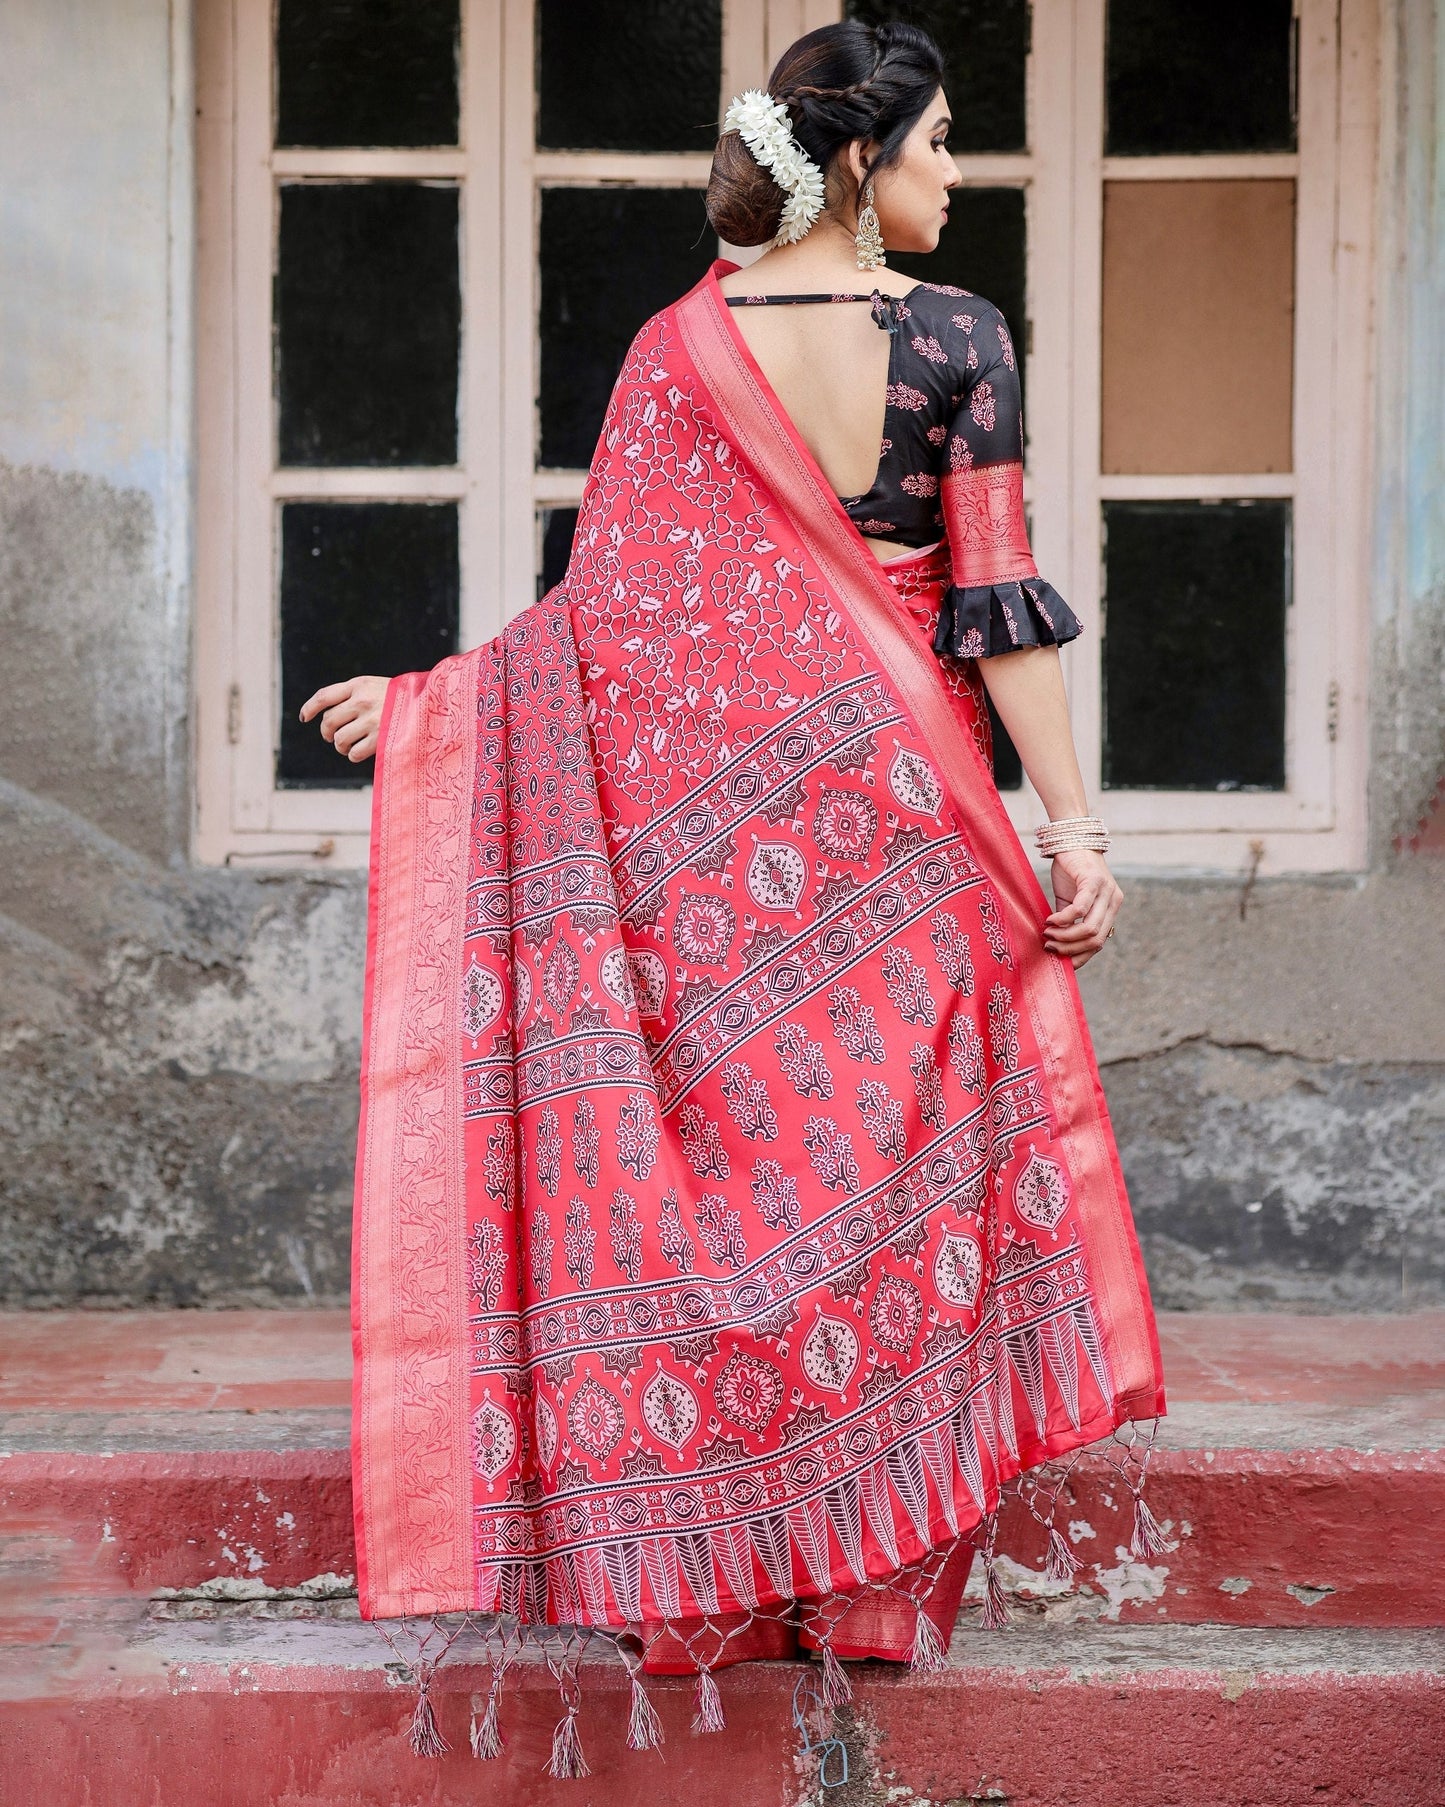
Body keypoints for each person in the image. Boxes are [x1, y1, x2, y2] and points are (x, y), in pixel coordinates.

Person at [302, 19, 1166, 1774]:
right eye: (935, 145)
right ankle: (859, 1591)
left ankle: (719, 1580)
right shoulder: (955, 337)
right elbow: (994, 604)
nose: (952, 174)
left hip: (723, 863)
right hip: (911, 827)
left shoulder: (673, 352)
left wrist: (439, 707)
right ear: (855, 165)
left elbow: (600, 629)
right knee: (884, 1205)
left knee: (738, 1205)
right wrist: (1074, 833)